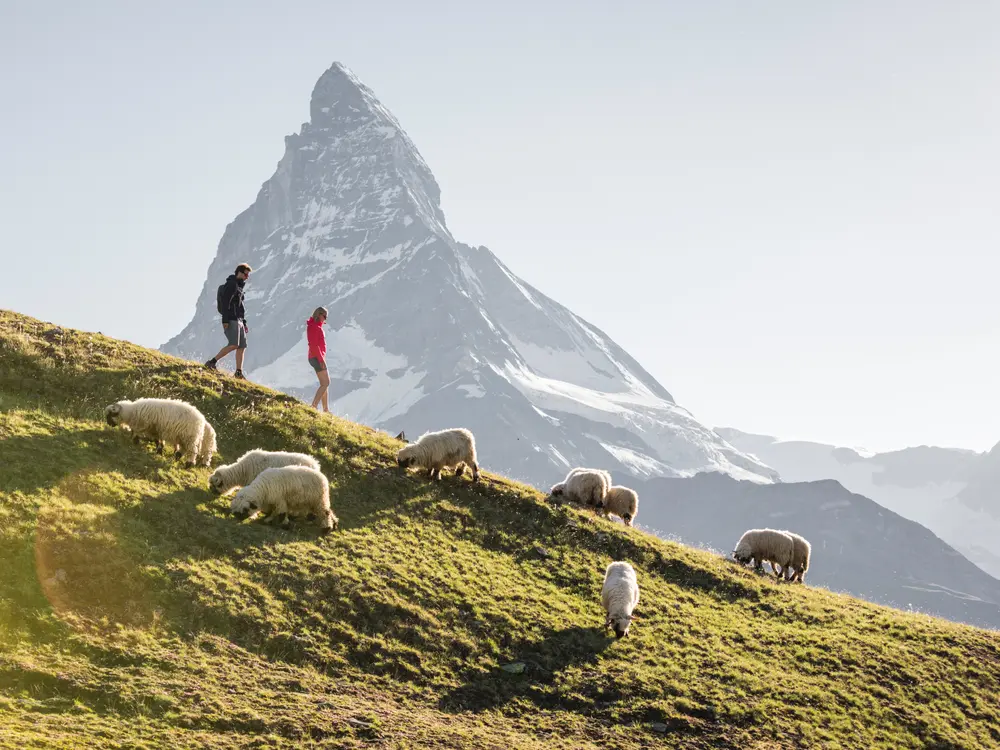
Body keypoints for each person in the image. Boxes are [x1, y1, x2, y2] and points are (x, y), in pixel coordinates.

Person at [205, 263, 252, 379]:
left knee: (242, 346)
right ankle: (212, 362)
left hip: (239, 320)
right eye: (245, 274)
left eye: (248, 275)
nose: (247, 277)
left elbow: (240, 307)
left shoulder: (239, 287)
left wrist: (244, 322)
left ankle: (238, 373)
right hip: (231, 319)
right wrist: (225, 320)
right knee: (234, 344)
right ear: (239, 273)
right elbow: (226, 302)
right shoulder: (231, 284)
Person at [307, 306, 330, 412]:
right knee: (326, 383)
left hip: (316, 357)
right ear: (319, 314)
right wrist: (321, 360)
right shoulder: (314, 327)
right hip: (316, 357)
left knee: (324, 383)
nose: (325, 319)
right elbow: (314, 345)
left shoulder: (314, 326)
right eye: (324, 316)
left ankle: (325, 409)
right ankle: (314, 406)